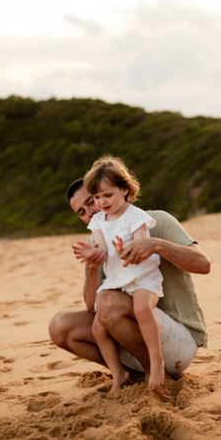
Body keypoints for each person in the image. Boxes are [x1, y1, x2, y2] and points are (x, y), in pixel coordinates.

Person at [48, 174, 211, 385]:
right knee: (59, 326)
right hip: (132, 336)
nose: (91, 211)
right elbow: (92, 306)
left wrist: (156, 245)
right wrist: (92, 265)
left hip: (179, 341)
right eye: (81, 211)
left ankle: (154, 370)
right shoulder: (94, 241)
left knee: (109, 303)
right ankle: (127, 373)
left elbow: (203, 265)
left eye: (92, 200)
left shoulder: (155, 220)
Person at [74, 156, 165, 392]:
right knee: (97, 328)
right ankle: (119, 373)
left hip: (143, 276)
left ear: (124, 190)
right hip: (118, 280)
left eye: (107, 195)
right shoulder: (98, 220)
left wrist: (128, 251)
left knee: (142, 308)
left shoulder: (135, 216)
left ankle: (156, 362)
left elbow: (142, 246)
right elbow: (102, 247)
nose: (101, 202)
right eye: (96, 197)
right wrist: (93, 252)